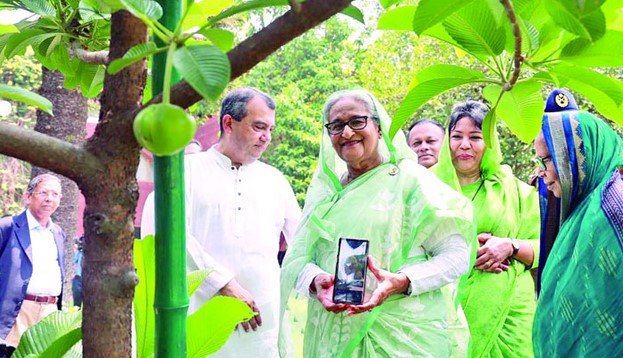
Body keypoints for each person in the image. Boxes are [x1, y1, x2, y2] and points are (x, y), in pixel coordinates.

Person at [280, 89, 475, 357]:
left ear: (379, 127)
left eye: (357, 121)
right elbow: (298, 259)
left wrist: (402, 281)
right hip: (333, 334)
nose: (347, 133)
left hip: (403, 337)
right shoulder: (327, 196)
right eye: (336, 126)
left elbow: (456, 256)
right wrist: (315, 281)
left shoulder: (411, 182)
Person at [184, 87, 300, 357]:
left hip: (263, 325)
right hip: (201, 317)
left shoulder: (275, 181)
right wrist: (224, 284)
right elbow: (168, 237)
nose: (266, 137)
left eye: (270, 129)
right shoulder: (185, 172)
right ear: (228, 123)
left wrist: (318, 279)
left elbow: (301, 243)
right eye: (259, 127)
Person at [432, 100, 540, 357]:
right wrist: (466, 251)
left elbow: (546, 248)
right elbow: (407, 246)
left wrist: (509, 246)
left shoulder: (517, 192)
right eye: (457, 136)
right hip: (444, 310)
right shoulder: (427, 189)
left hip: (511, 316)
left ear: (489, 143)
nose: (465, 145)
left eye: (475, 137)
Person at [532, 89, 623, 356]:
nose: (541, 172)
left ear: (576, 155)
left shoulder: (613, 206)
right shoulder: (580, 211)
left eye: (547, 159)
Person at [0, 173, 65, 351]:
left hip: (49, 311)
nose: (49, 199)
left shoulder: (58, 233)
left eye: (55, 194)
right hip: (17, 311)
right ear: (28, 196)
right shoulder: (7, 227)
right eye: (43, 193)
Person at [72, 236, 84, 308]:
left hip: (88, 279)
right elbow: (72, 261)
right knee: (76, 305)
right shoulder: (80, 252)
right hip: (78, 278)